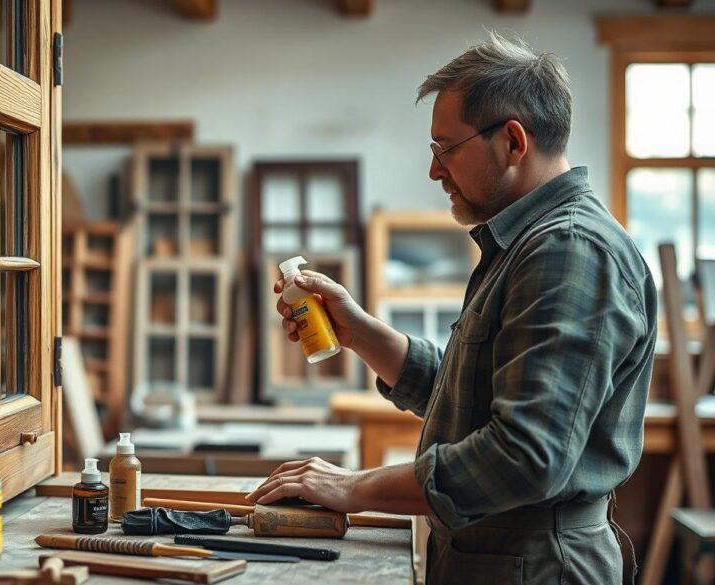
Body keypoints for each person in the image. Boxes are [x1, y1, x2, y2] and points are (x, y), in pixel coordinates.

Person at [245, 32, 657, 584]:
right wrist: (360, 331)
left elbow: (523, 455)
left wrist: (352, 487)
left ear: (513, 141)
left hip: (533, 567)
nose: (435, 172)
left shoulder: (568, 250)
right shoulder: (528, 244)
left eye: (445, 149)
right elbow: (471, 395)